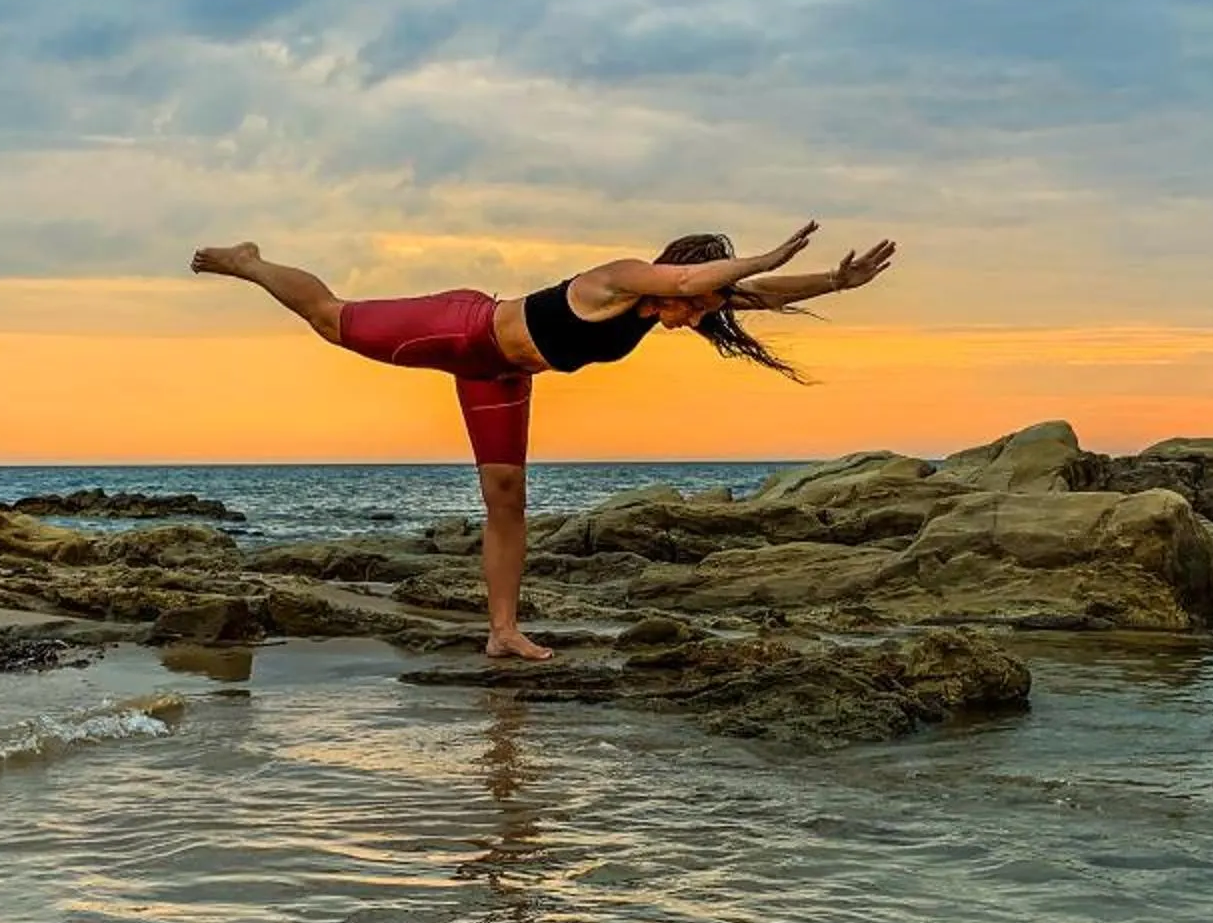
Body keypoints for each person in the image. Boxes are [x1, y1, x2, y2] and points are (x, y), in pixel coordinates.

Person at [190, 224, 898, 660]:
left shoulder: (667, 306)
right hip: (461, 328)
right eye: (699, 302)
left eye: (706, 307)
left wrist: (835, 281)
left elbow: (752, 297)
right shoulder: (619, 280)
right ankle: (253, 262)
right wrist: (761, 256)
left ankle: (502, 630)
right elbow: (690, 278)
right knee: (327, 316)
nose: (697, 316)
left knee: (507, 502)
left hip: (501, 374)